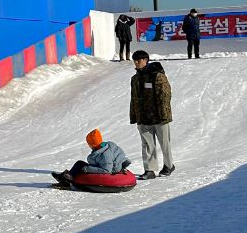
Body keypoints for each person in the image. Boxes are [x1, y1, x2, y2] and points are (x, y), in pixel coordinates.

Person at [130, 50, 174, 179]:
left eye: (139, 60)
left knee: (164, 143)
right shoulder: (135, 79)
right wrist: (134, 115)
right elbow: (134, 99)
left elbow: (165, 95)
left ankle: (169, 165)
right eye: (135, 60)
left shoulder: (157, 76)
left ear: (146, 60)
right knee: (147, 144)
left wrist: (164, 114)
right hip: (143, 117)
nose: (137, 62)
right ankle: (149, 169)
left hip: (159, 117)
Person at [51, 129, 131, 187]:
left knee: (81, 166)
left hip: (111, 169)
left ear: (92, 144)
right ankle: (64, 176)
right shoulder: (107, 146)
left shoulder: (105, 155)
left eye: (89, 143)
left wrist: (88, 169)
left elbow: (107, 170)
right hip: (106, 166)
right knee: (79, 163)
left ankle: (66, 182)